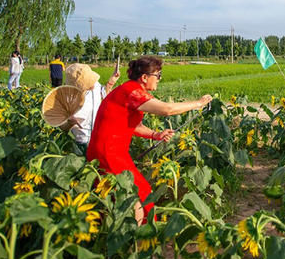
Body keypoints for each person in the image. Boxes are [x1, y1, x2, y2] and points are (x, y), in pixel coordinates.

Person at [87, 55, 212, 223]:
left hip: (113, 151)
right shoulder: (131, 91)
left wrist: (155, 134)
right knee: (137, 194)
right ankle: (135, 236)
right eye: (158, 75)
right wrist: (198, 103)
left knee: (123, 194)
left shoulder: (130, 90)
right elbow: (167, 109)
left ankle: (122, 233)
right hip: (108, 152)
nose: (159, 79)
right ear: (145, 77)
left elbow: (133, 126)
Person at [59, 62, 119, 153]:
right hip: (83, 143)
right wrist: (69, 123)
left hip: (101, 138)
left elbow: (102, 93)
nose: (93, 85)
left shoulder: (95, 85)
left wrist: (112, 80)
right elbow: (62, 126)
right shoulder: (67, 100)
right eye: (88, 83)